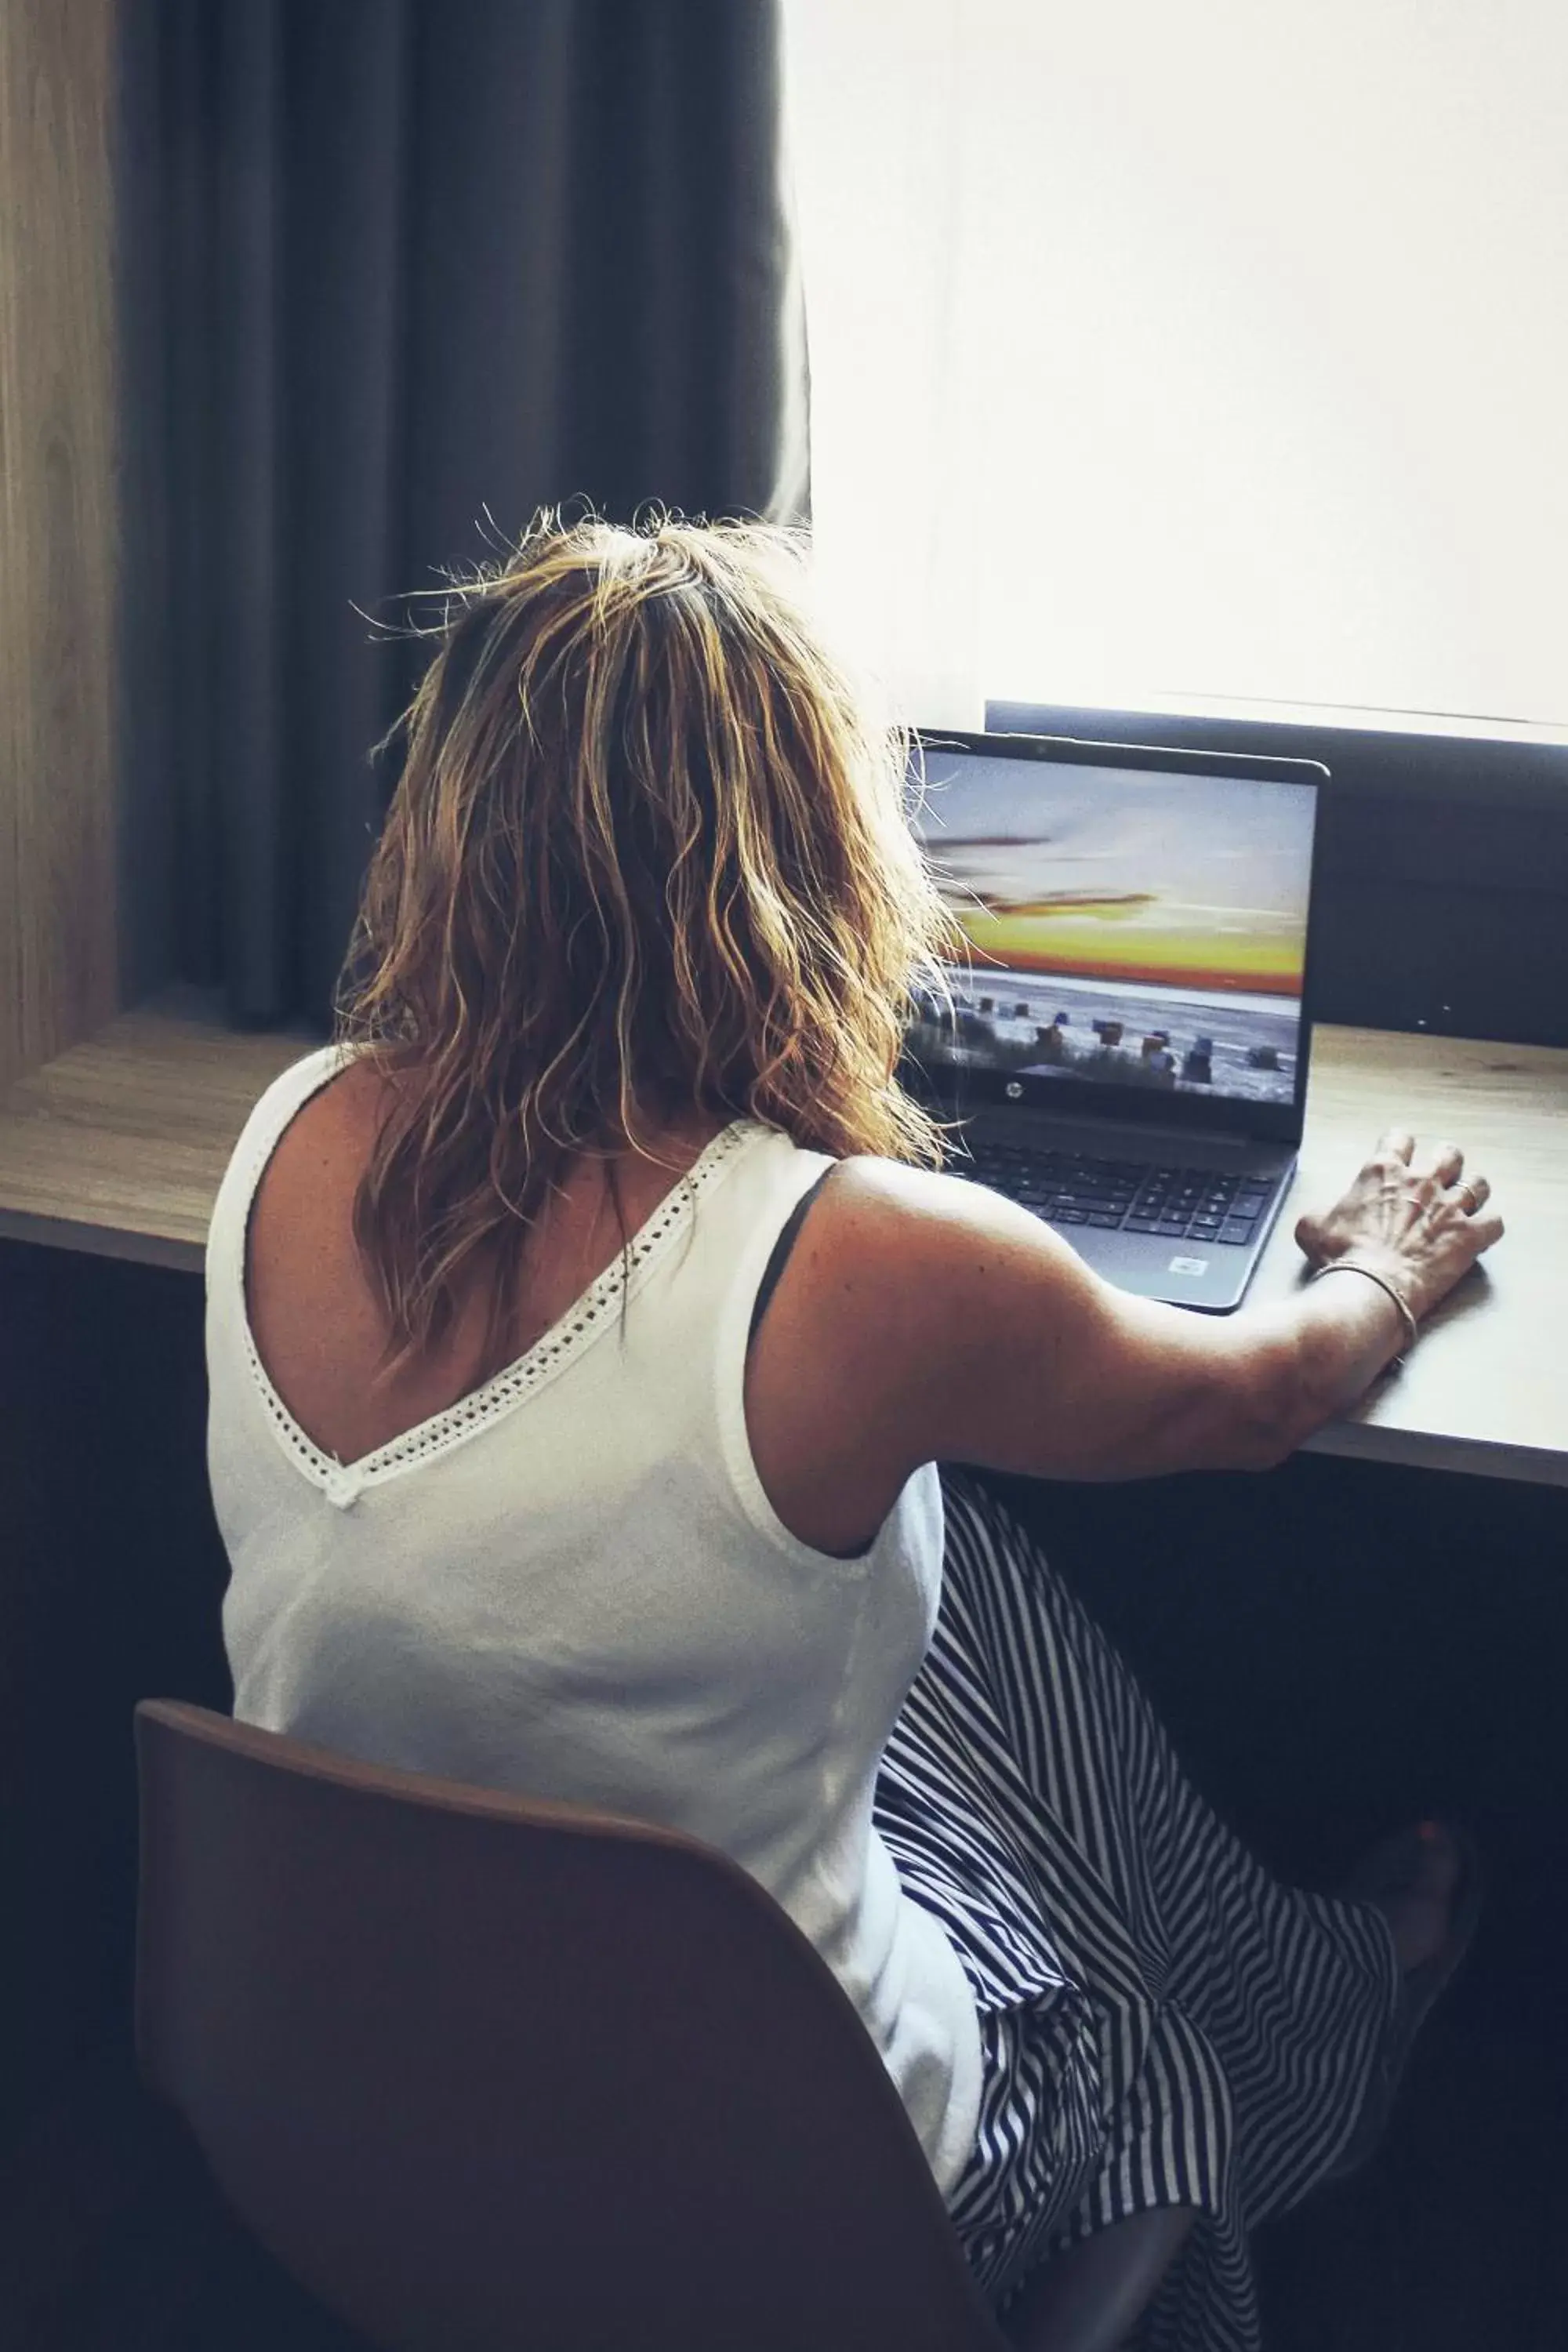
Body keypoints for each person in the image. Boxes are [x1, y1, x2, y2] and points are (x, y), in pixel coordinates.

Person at [209, 516, 1501, 2352]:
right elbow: (1262, 1403)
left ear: (447, 833)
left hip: (361, 2106)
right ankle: (1335, 2022)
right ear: (808, 845)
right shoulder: (864, 1264)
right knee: (1136, 2023)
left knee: (938, 1576)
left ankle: (1322, 1973)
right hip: (774, 2203)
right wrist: (1381, 1261)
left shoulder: (287, 1136)